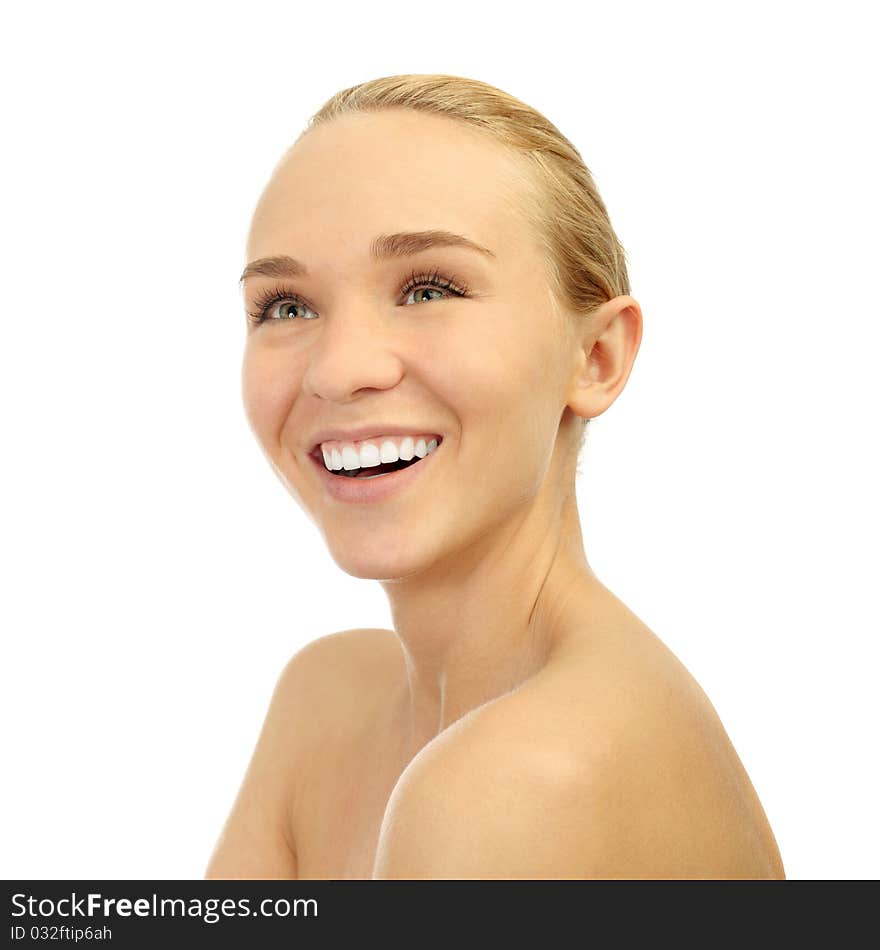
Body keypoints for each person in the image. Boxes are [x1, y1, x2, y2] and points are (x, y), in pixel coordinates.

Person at [205, 73, 785, 880]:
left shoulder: (513, 785)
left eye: (428, 288)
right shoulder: (324, 703)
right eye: (286, 306)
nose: (337, 372)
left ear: (596, 357)